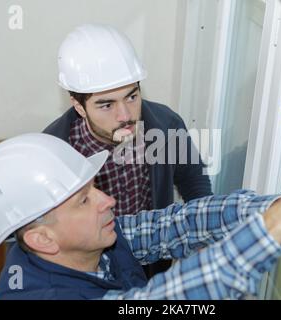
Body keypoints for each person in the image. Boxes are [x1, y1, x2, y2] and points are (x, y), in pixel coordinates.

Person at [0, 133, 281, 300]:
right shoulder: (39, 296)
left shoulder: (85, 244)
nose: (107, 200)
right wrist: (279, 224)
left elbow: (179, 224)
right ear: (42, 239)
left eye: (94, 187)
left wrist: (272, 209)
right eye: (82, 200)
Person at [44, 24, 213, 276]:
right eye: (106, 105)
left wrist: (204, 235)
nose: (125, 116)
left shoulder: (165, 125)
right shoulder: (53, 154)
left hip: (154, 269)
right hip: (95, 277)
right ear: (79, 106)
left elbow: (193, 181)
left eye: (132, 97)